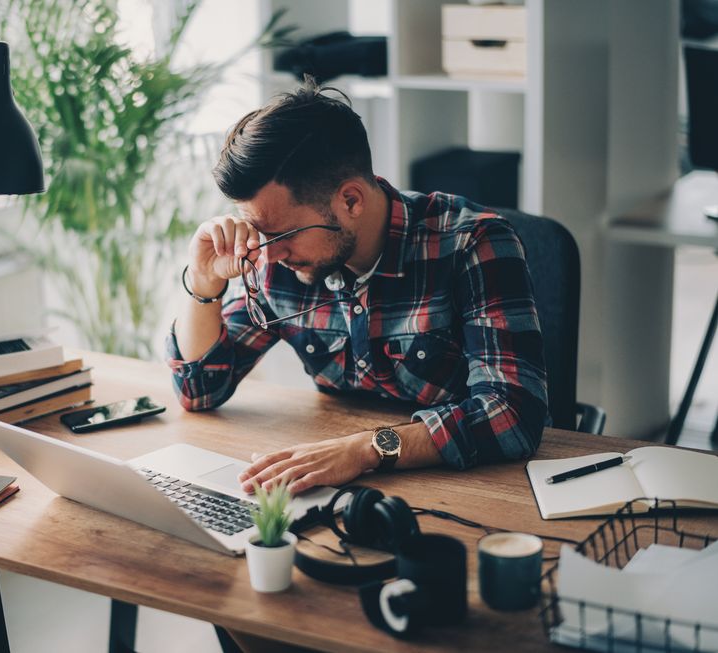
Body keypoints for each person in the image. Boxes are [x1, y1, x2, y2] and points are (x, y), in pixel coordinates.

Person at [166, 79, 548, 496]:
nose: (270, 254)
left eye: (282, 236)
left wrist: (365, 450)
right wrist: (205, 281)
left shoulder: (473, 243)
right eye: (259, 232)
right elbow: (199, 391)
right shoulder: (277, 258)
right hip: (342, 486)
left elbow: (511, 416)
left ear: (350, 201)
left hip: (476, 485)